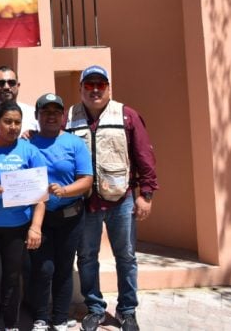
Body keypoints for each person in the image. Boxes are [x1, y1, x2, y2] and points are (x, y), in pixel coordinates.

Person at [67, 66, 158, 331]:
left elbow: (144, 156)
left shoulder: (127, 115)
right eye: (89, 85)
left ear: (109, 87)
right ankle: (95, 308)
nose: (95, 90)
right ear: (81, 88)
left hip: (122, 200)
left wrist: (146, 195)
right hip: (84, 203)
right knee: (85, 257)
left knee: (126, 257)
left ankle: (127, 310)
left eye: (100, 85)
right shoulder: (69, 117)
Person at [0, 101, 48, 331]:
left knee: (13, 277)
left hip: (18, 225)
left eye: (17, 122)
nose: (13, 127)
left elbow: (41, 195)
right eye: (7, 121)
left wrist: (35, 227)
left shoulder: (29, 151)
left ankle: (12, 323)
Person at [28, 93, 93, 331]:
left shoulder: (75, 143)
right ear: (37, 116)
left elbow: (86, 179)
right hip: (39, 218)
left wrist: (65, 191)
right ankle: (41, 317)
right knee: (43, 268)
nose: (51, 116)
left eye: (56, 112)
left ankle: (60, 318)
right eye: (45, 112)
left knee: (65, 268)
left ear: (63, 116)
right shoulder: (28, 143)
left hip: (70, 216)